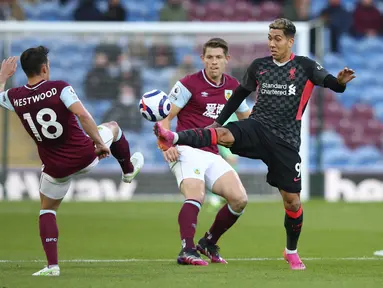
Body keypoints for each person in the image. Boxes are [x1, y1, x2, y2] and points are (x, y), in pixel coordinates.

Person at [154, 19, 356, 270]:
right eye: (270, 38)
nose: (272, 43)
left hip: (286, 141)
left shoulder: (304, 65)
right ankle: (175, 138)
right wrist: (217, 122)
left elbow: (331, 83)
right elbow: (239, 95)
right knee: (224, 134)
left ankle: (290, 250)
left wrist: (340, 82)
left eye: (277, 39)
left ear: (290, 41)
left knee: (292, 201)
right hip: (257, 127)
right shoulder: (259, 66)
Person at [0, 46, 144, 276]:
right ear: (45, 67)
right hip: (85, 155)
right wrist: (98, 142)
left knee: (47, 211)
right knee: (114, 128)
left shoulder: (15, 96)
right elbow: (84, 115)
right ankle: (128, 171)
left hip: (55, 167)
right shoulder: (59, 87)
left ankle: (52, 266)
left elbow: (0, 97)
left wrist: (3, 76)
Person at [159, 38, 251, 266]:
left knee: (239, 200)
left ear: (227, 60)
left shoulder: (233, 87)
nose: (214, 62)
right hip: (185, 149)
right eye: (209, 57)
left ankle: (208, 242)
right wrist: (166, 146)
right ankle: (187, 250)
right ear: (203, 59)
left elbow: (248, 121)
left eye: (219, 57)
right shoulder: (188, 84)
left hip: (211, 153)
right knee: (196, 194)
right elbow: (166, 117)